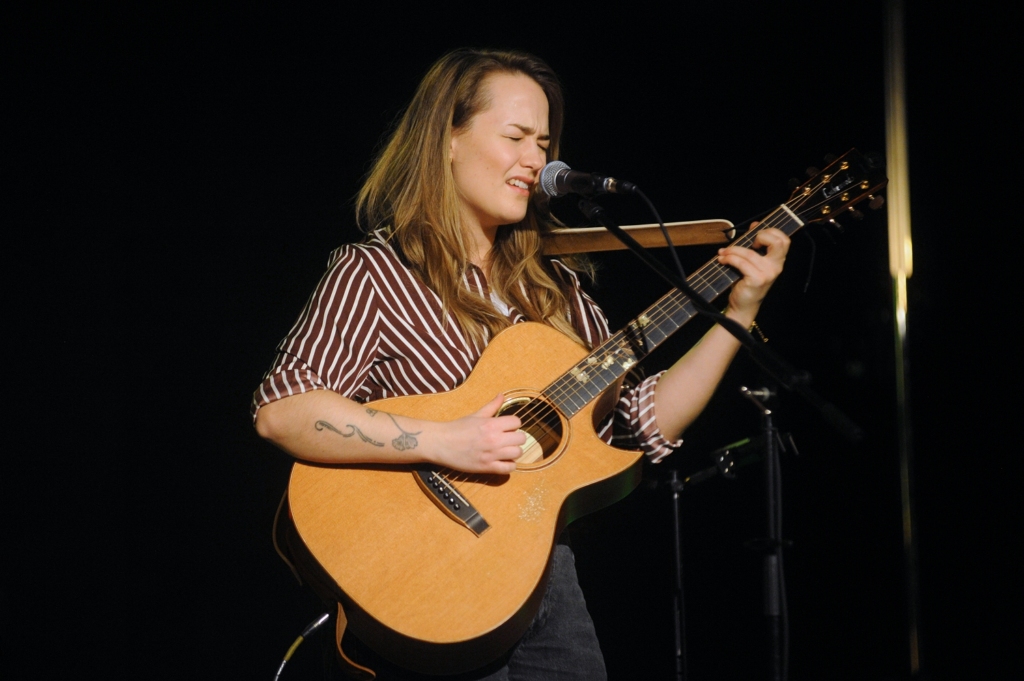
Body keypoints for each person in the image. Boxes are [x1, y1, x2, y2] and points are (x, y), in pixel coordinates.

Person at [252, 48, 789, 680]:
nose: (536, 159)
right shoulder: (377, 272)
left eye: (544, 141)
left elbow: (640, 423)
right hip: (429, 582)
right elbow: (284, 411)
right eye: (514, 137)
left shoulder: (555, 291)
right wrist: (449, 439)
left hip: (545, 580)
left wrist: (738, 314)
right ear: (447, 141)